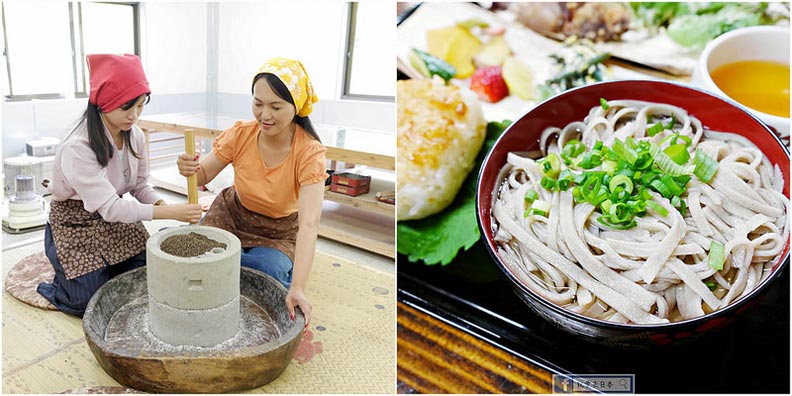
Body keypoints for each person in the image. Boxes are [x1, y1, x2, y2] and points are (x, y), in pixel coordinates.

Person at [38, 54, 203, 316]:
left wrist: (163, 204)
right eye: (127, 107)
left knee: (151, 275)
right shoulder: (78, 145)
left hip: (115, 217)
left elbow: (139, 187)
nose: (135, 115)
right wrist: (169, 214)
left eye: (140, 106)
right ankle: (58, 281)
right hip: (75, 221)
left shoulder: (135, 135)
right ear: (103, 103)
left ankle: (98, 270)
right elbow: (112, 208)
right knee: (88, 302)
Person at [177, 57, 327, 326]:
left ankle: (278, 267)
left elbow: (308, 223)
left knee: (264, 271)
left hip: (279, 229)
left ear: (297, 107)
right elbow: (203, 175)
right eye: (258, 104)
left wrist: (298, 288)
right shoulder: (240, 134)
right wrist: (188, 167)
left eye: (276, 106)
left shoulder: (309, 152)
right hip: (232, 213)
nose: (264, 115)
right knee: (198, 253)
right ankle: (236, 258)